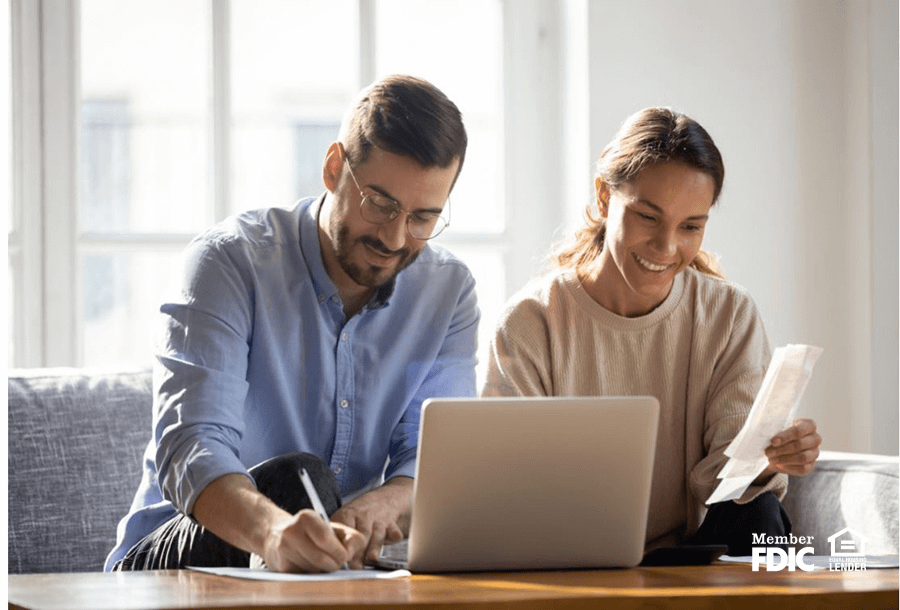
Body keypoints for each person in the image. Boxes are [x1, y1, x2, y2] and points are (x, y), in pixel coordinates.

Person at [106, 75, 479, 573]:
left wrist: (382, 505)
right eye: (380, 204)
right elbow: (192, 446)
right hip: (173, 559)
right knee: (297, 479)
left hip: (334, 567)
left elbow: (433, 457)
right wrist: (275, 533)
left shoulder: (447, 292)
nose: (394, 237)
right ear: (332, 168)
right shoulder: (228, 263)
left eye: (422, 218)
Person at [482, 107, 821, 556]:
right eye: (648, 217)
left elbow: (729, 477)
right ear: (604, 197)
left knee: (761, 517)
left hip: (693, 556)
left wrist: (766, 460)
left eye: (691, 227)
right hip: (567, 555)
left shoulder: (729, 315)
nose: (667, 247)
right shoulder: (531, 323)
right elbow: (506, 488)